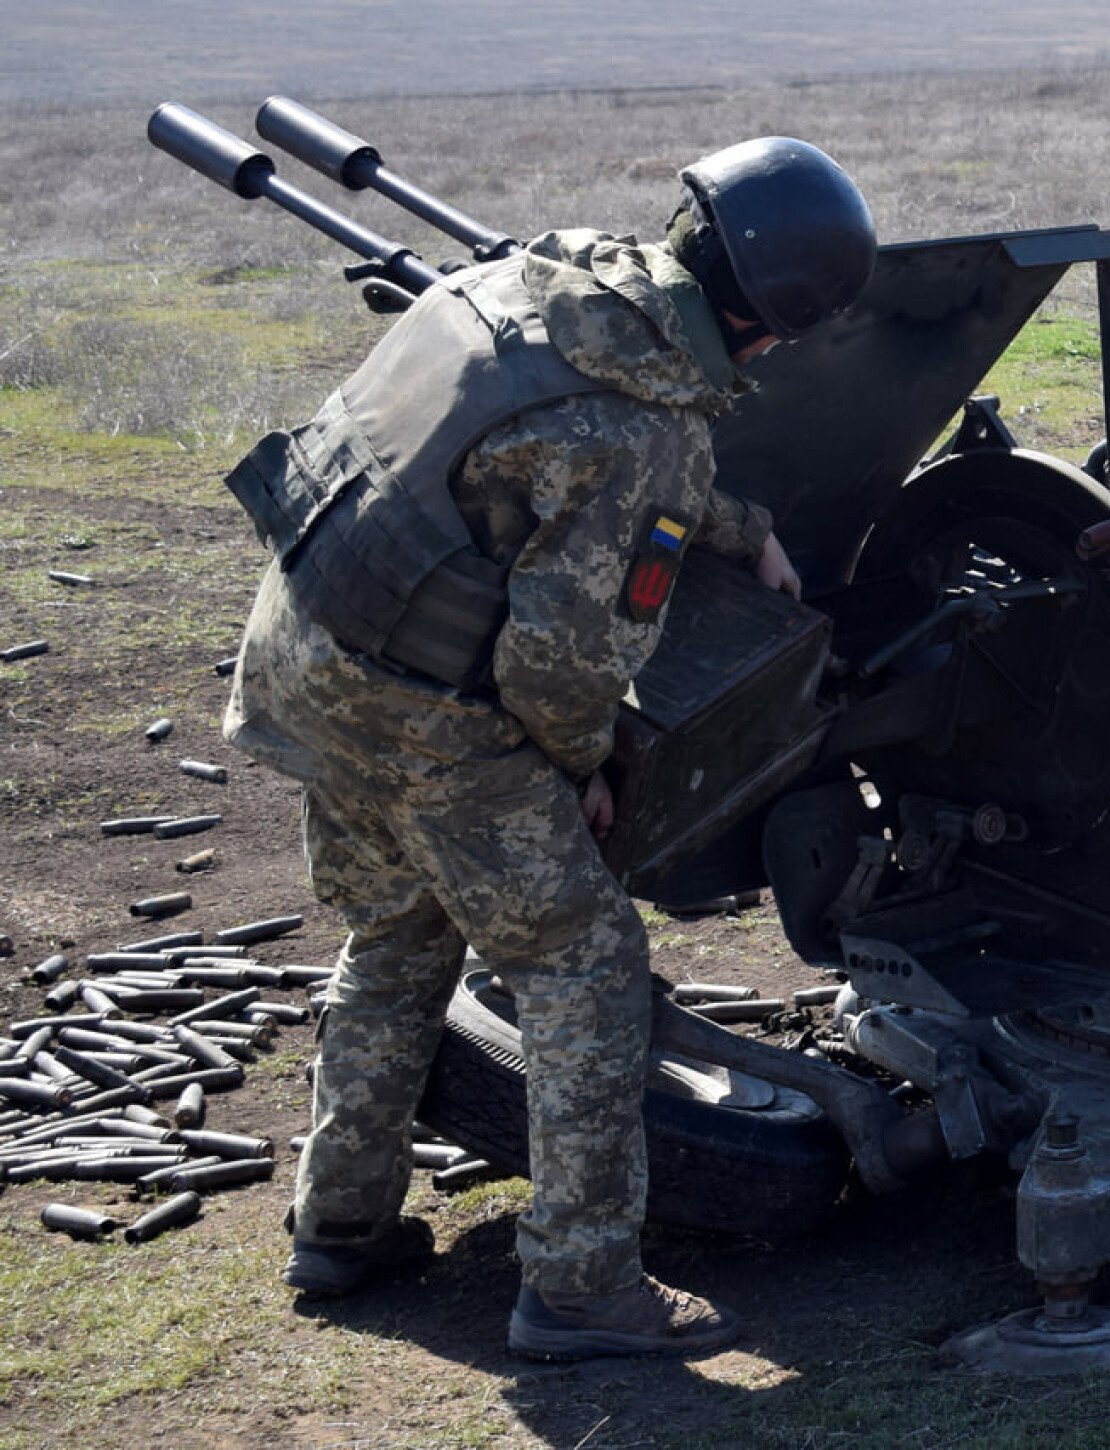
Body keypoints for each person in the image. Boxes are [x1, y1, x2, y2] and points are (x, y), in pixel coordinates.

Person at [219, 138, 876, 1361]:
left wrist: (735, 526)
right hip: (422, 712)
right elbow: (559, 664)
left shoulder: (539, 279)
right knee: (580, 961)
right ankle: (580, 1289)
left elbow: (533, 462)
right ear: (771, 329)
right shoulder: (644, 431)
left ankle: (340, 1226)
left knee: (402, 927)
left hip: (313, 646)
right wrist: (581, 774)